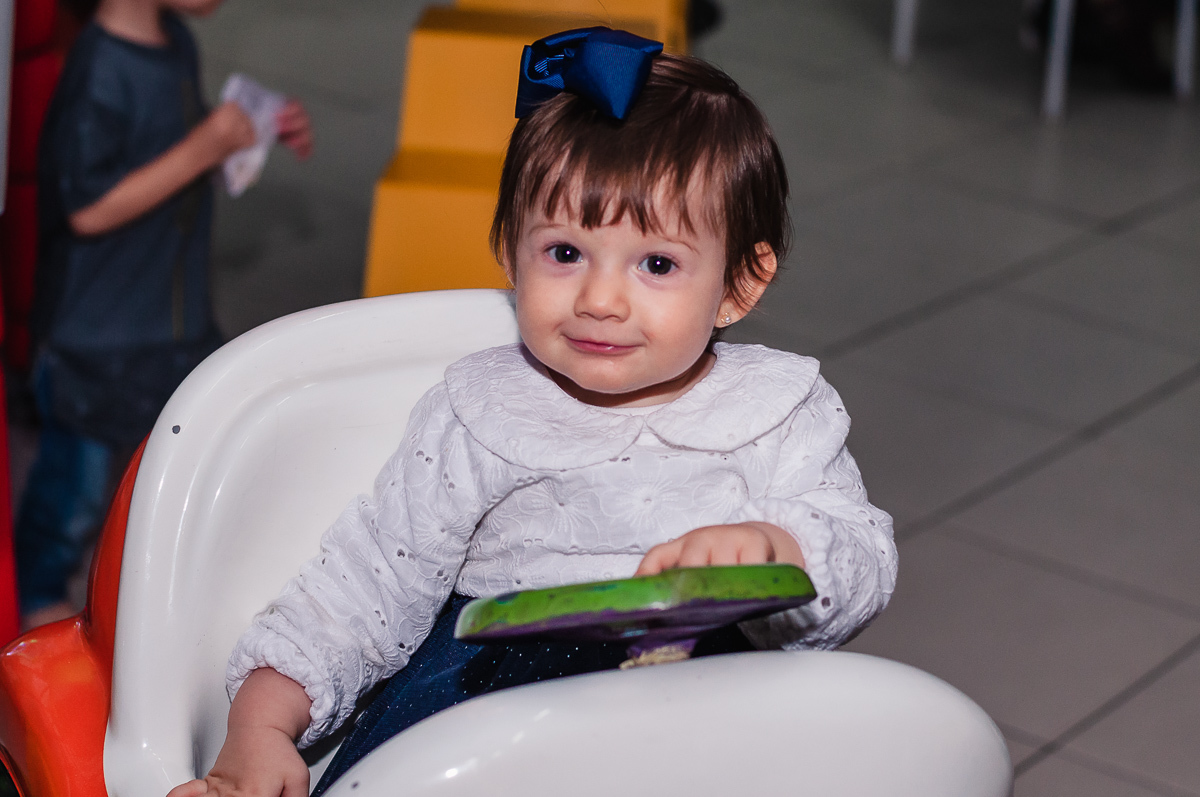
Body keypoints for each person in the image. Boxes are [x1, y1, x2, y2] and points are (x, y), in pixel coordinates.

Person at [169, 28, 896, 797]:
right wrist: (260, 727)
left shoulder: (780, 413)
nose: (600, 299)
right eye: (564, 253)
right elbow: (366, 585)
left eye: (656, 264)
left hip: (705, 725)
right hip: (495, 713)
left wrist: (780, 549)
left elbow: (863, 561)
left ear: (739, 285)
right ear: (510, 248)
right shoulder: (480, 411)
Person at [16, 0, 313, 630]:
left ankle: (139, 587)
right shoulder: (98, 70)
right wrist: (207, 145)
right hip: (95, 337)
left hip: (168, 317)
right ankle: (39, 595)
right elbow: (88, 209)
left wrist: (249, 133)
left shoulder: (173, 40)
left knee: (163, 467)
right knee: (76, 489)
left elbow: (163, 150)